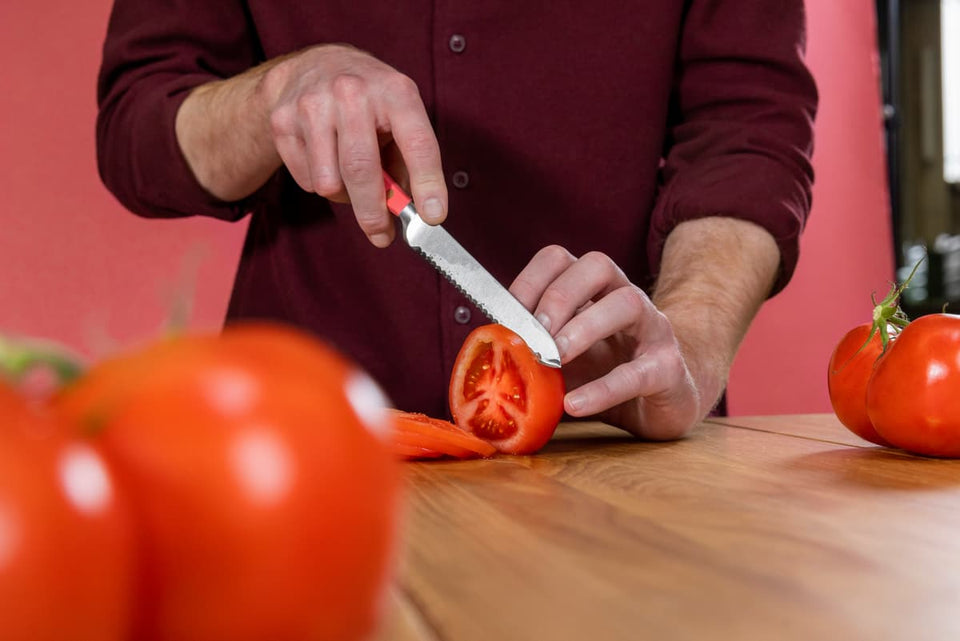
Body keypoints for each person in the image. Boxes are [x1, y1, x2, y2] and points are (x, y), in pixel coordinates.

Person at [95, 2, 817, 441]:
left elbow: (748, 126)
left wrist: (687, 339)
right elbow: (139, 127)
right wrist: (275, 95)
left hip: (615, 446)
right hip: (300, 451)